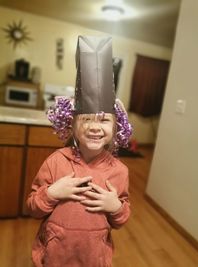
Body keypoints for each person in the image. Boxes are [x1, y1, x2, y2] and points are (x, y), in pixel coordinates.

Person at [27, 36, 132, 267]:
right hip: (53, 256)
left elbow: (122, 218)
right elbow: (33, 207)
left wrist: (115, 206)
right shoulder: (56, 161)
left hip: (94, 259)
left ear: (115, 128)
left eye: (104, 120)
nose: (95, 126)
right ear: (72, 126)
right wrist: (52, 192)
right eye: (86, 119)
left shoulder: (120, 172)